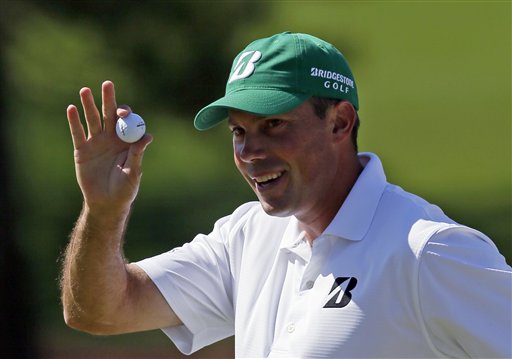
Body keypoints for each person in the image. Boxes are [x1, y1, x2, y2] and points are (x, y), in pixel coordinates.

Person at [60, 32, 512, 358]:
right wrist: (103, 212)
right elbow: (100, 311)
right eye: (239, 131)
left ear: (340, 122)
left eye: (274, 125)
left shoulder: (429, 252)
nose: (250, 151)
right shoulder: (246, 236)